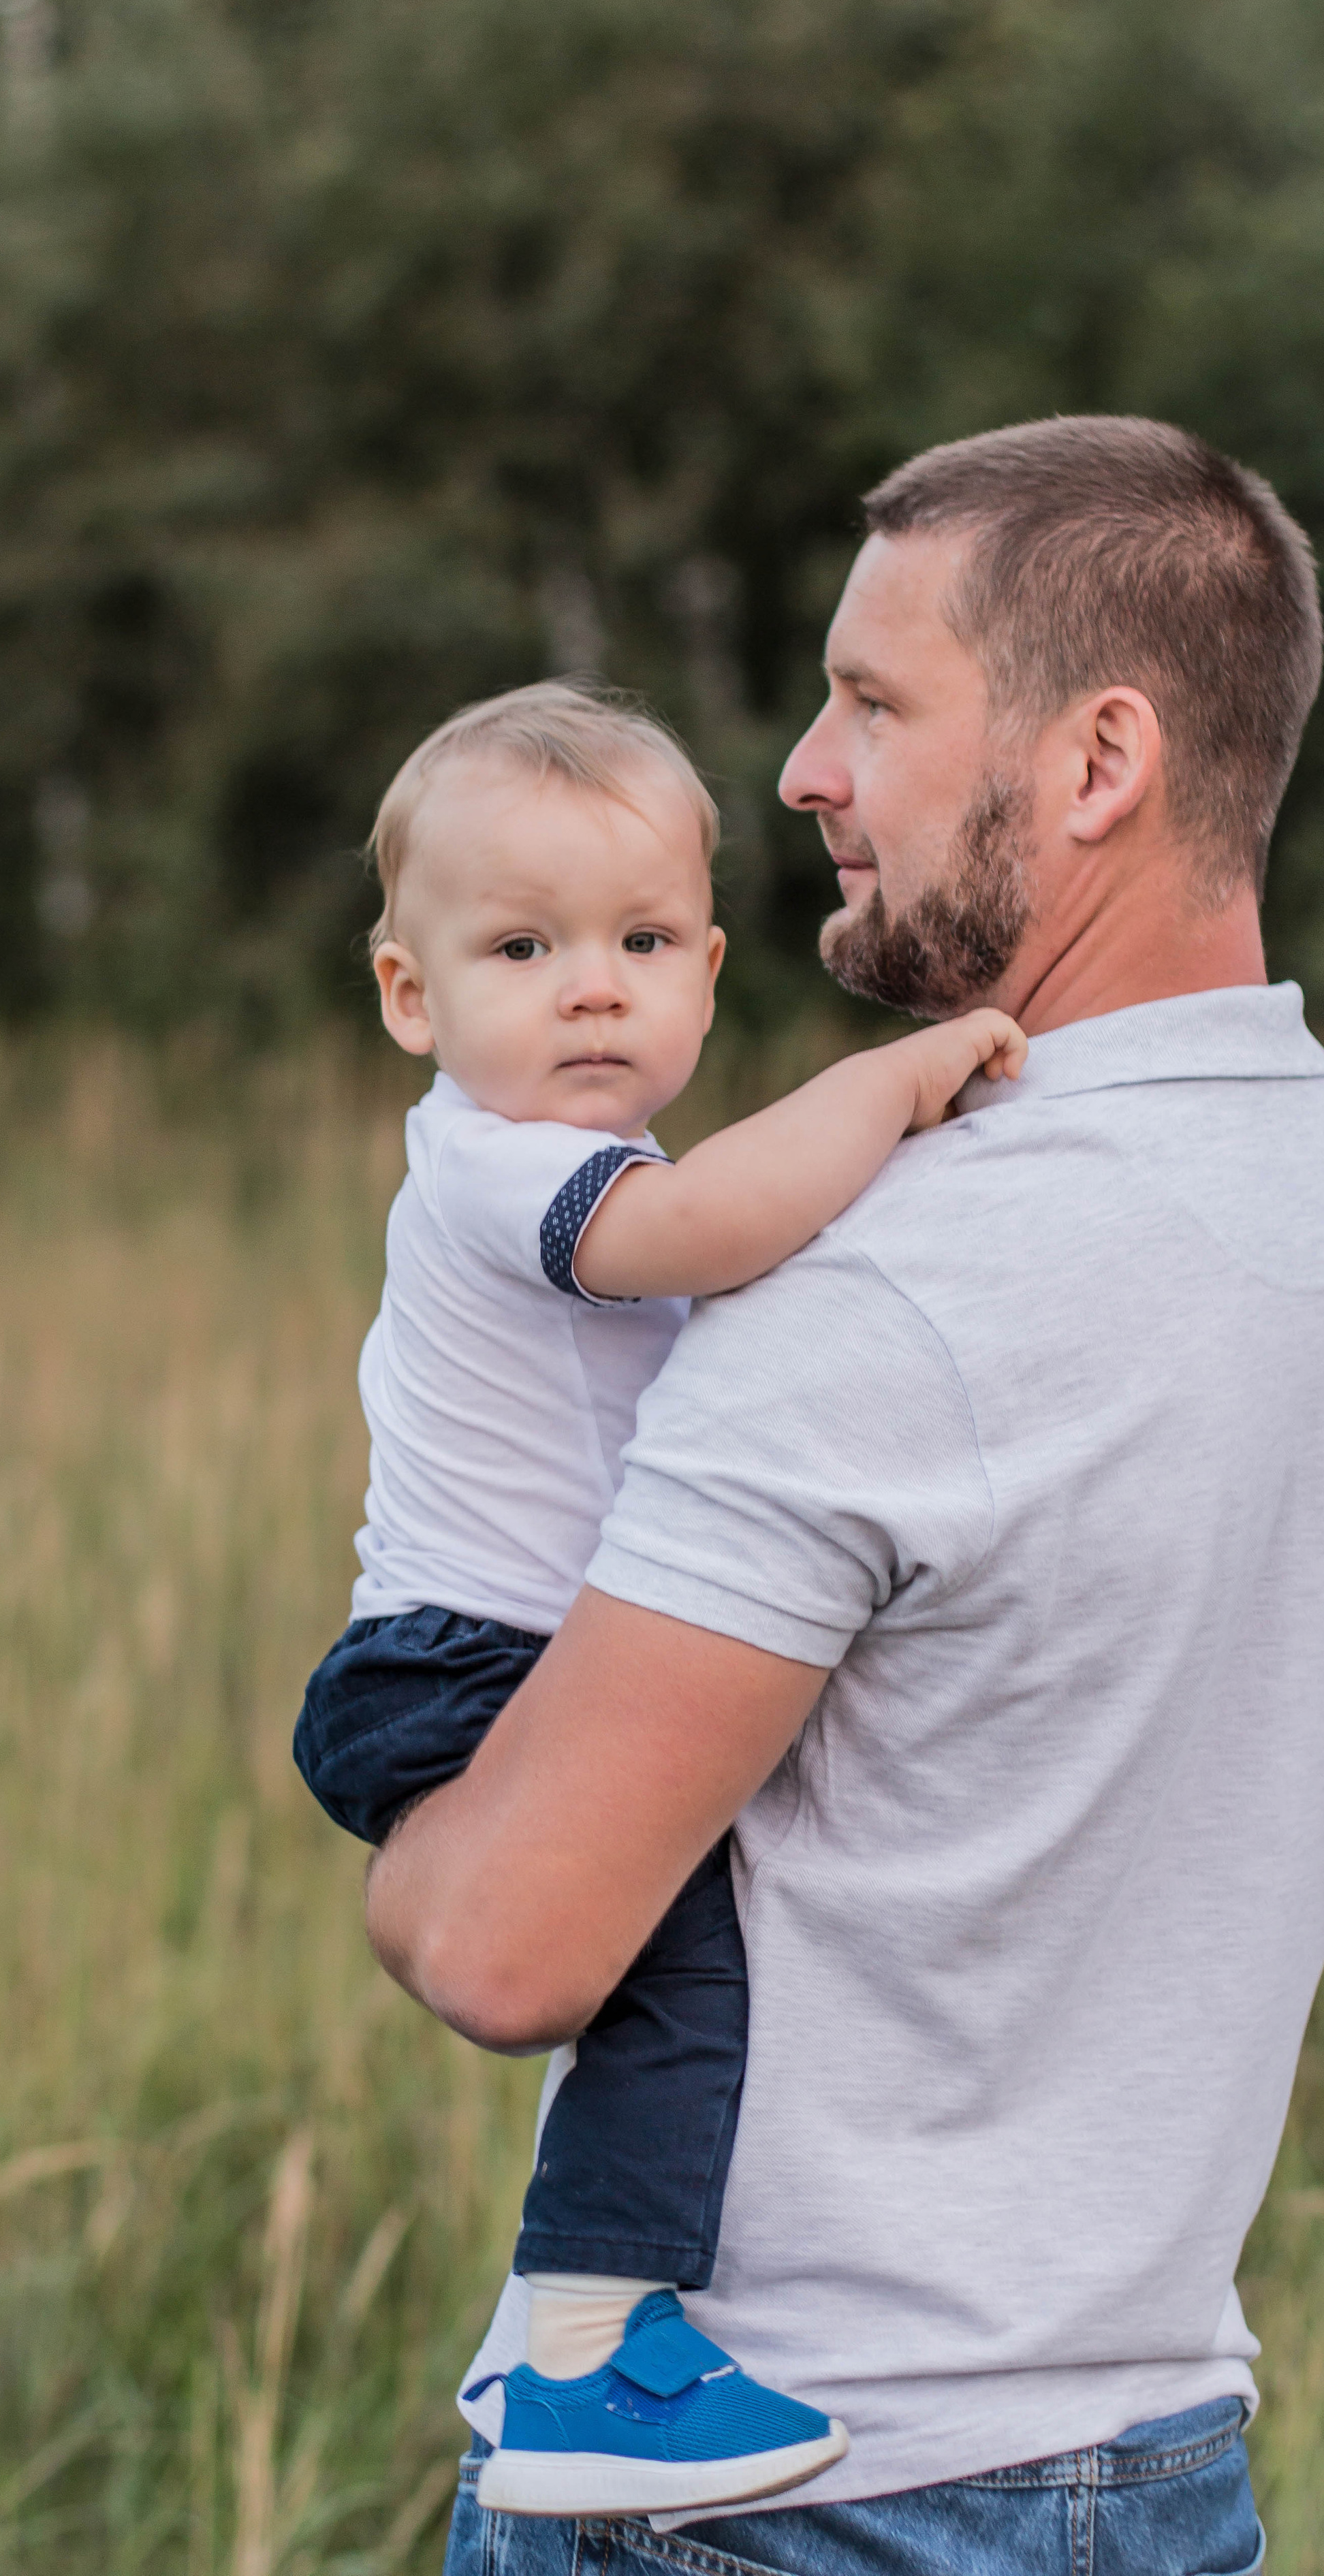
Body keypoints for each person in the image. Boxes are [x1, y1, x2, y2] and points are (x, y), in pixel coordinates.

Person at [365, 416, 1324, 2576]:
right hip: (1157, 2468)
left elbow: (504, 1949)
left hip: (768, 2498)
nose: (800, 768)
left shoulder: (866, 1282)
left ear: (1095, 761)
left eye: (873, 704)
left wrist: (412, 1851)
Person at [295, 678, 1026, 2515]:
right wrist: (887, 1081)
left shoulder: (578, 1159)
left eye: (637, 941)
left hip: (502, 1658)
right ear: (413, 997)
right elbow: (693, 1233)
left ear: (705, 968)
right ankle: (593, 2355)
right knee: (673, 1971)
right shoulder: (501, 1165)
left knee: (673, 1961)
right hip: (459, 1663)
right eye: (524, 946)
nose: (592, 986)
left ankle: (609, 2327)